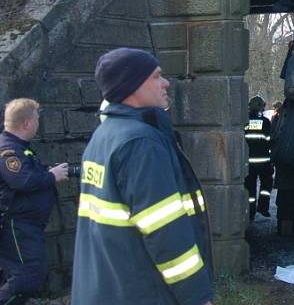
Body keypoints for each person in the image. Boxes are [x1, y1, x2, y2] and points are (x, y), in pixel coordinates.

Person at [71, 48, 214, 305]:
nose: (166, 83)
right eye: (157, 76)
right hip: (142, 291)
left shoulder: (104, 136)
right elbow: (166, 231)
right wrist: (197, 297)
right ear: (133, 85)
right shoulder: (141, 143)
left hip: (107, 288)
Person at [0, 98, 68, 304]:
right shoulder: (9, 150)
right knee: (28, 276)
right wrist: (51, 176)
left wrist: (46, 173)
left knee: (18, 275)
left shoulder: (20, 147)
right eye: (37, 119)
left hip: (27, 225)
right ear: (27, 124)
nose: (38, 123)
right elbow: (23, 180)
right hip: (17, 225)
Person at [244, 95, 273, 220]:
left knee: (250, 188)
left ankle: (250, 213)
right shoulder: (265, 122)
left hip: (249, 162)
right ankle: (263, 207)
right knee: (266, 186)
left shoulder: (245, 122)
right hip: (264, 161)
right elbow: (269, 140)